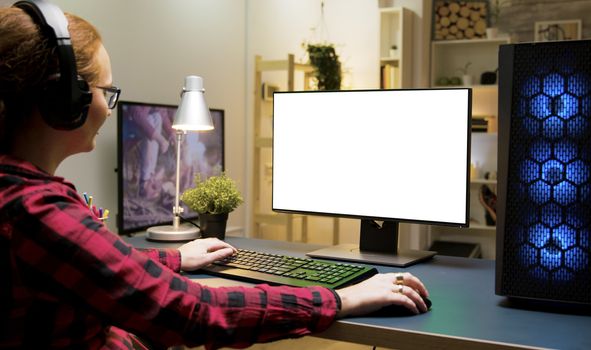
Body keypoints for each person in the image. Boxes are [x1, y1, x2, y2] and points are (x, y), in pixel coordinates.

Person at [0, 2, 430, 349]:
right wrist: (338, 299)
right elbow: (193, 312)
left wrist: (174, 258)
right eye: (106, 92)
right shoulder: (35, 211)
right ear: (64, 99)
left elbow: (93, 265)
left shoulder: (18, 196)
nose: (109, 108)